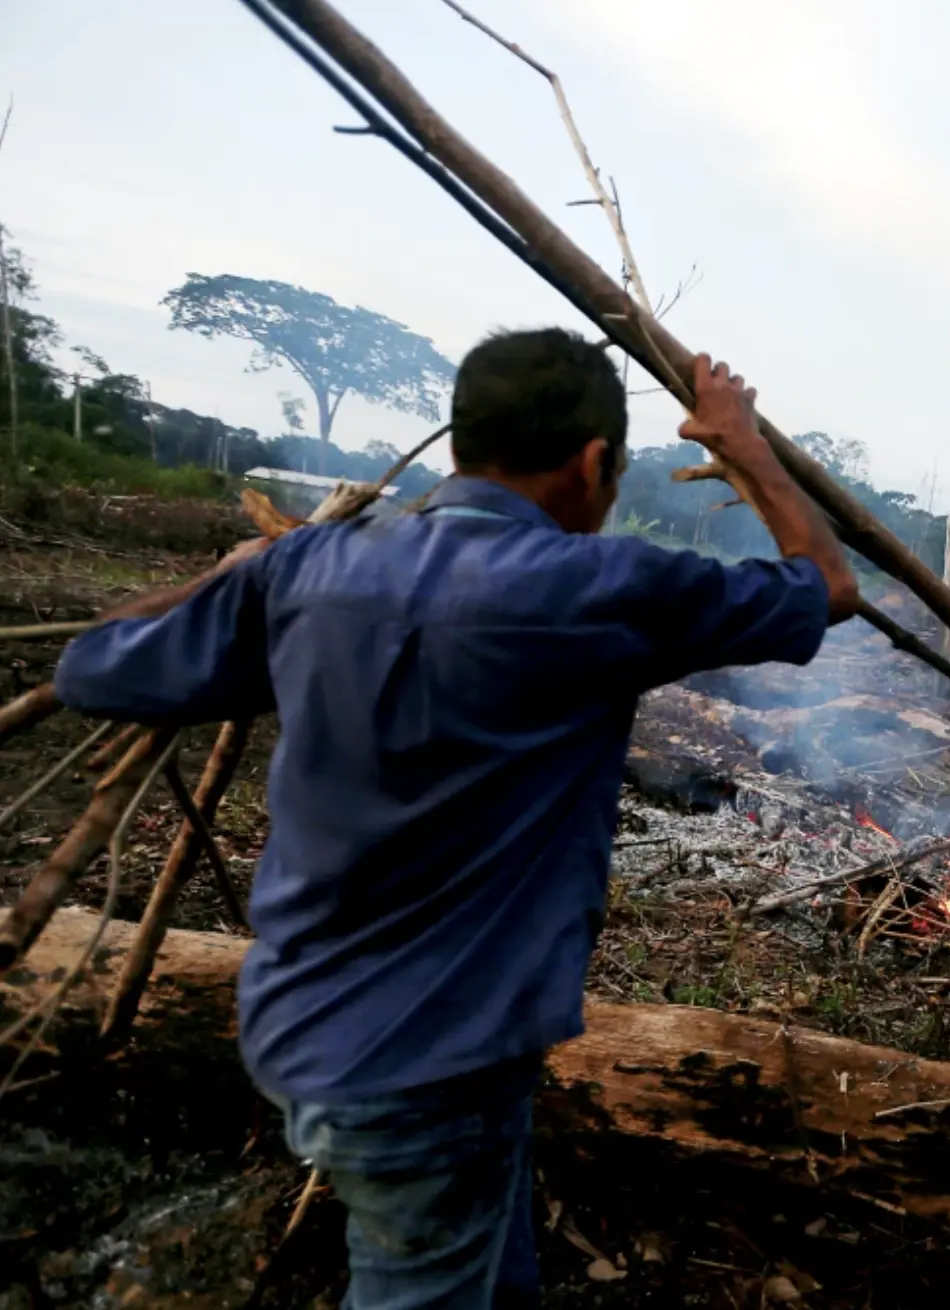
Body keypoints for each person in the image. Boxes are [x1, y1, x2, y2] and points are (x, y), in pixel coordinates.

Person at [53, 328, 859, 1309]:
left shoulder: (307, 570)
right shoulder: (598, 588)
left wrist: (236, 577)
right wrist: (744, 444)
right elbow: (826, 585)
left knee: (482, 1261)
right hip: (428, 1066)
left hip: (306, 1019)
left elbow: (97, 664)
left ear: (460, 445)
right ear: (594, 462)